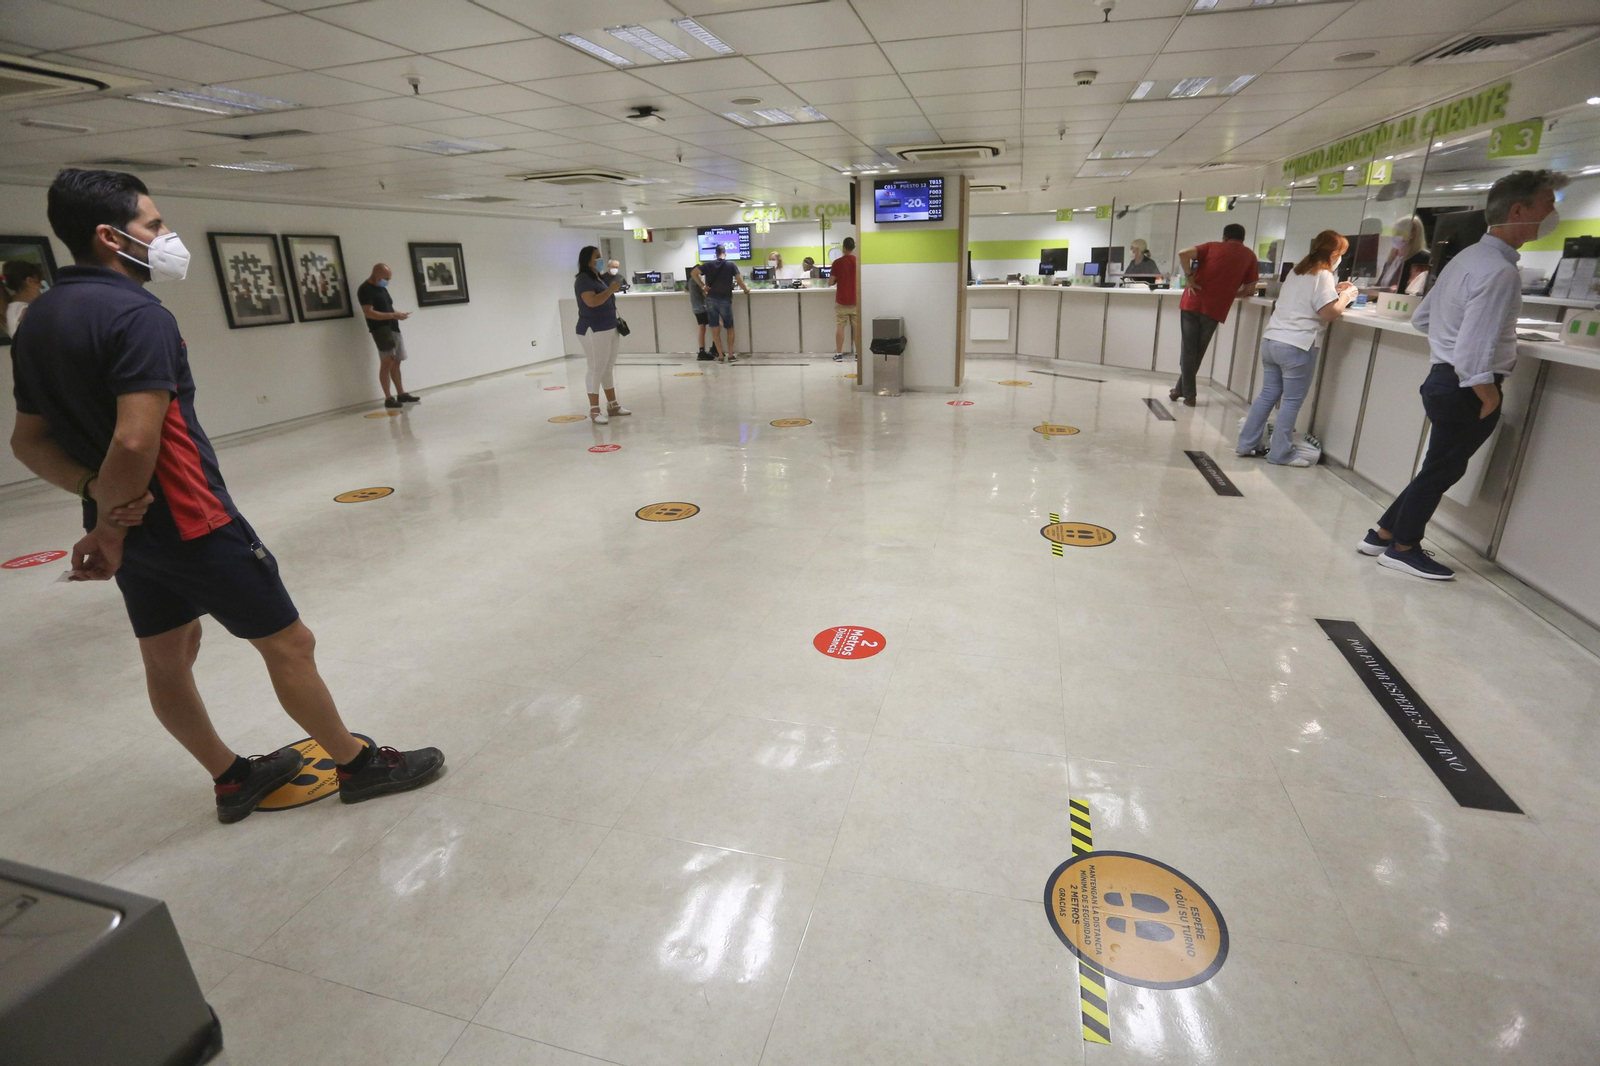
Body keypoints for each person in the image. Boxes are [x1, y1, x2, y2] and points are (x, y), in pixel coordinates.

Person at [7, 169, 444, 822]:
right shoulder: (137, 315)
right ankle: (357, 765)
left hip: (129, 525)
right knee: (290, 644)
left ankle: (232, 778)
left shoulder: (38, 320)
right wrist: (111, 528)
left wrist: (99, 503)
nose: (166, 236)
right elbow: (135, 439)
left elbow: (28, 441)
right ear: (110, 237)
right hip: (191, 519)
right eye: (154, 224)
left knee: (168, 657)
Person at [1357, 169, 1568, 580]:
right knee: (1442, 470)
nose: (1552, 214)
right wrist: (1487, 393)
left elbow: (1422, 319)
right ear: (1518, 210)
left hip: (1443, 380)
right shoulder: (1498, 271)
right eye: (1548, 205)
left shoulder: (1468, 258)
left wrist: (1451, 345)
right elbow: (1474, 348)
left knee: (1438, 466)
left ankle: (1382, 533)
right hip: (1465, 387)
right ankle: (1403, 548)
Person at [1237, 230, 1357, 466]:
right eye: (1341, 254)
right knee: (1291, 401)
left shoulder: (1296, 271)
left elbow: (1306, 298)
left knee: (1267, 394)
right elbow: (1329, 313)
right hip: (1298, 345)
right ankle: (1280, 453)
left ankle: (1246, 443)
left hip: (1272, 340)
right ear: (1334, 253)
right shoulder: (1324, 275)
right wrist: (1346, 296)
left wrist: (1335, 291)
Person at [1170, 223, 1259, 406]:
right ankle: (1180, 391)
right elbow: (1250, 290)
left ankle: (1189, 395)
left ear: (1224, 237)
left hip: (1192, 302)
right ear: (1243, 239)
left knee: (1188, 350)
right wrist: (1230, 294)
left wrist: (1189, 278)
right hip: (1216, 309)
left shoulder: (1212, 247)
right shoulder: (1250, 256)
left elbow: (1183, 253)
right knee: (1197, 352)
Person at [574, 245, 631, 423]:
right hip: (593, 329)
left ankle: (613, 404)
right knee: (596, 368)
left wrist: (610, 290)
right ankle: (594, 409)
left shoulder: (598, 278)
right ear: (588, 260)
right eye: (597, 256)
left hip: (609, 326)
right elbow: (591, 302)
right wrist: (610, 291)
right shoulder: (583, 280)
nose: (600, 260)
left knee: (607, 368)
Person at [356, 264, 420, 411]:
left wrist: (398, 314)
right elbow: (369, 312)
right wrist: (392, 315)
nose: (387, 281)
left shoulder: (382, 289)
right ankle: (388, 397)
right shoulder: (365, 289)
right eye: (386, 278)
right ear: (376, 274)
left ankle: (401, 393)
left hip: (393, 327)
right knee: (387, 362)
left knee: (396, 361)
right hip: (381, 329)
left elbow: (388, 308)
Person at [700, 243, 748, 364]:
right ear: (725, 253)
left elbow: (693, 273)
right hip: (725, 299)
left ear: (715, 254)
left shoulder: (708, 265)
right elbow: (740, 281)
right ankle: (731, 355)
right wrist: (746, 290)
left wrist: (703, 286)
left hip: (711, 299)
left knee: (715, 328)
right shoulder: (731, 264)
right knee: (729, 328)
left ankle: (721, 356)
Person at [1378, 216, 1428, 292]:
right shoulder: (1392, 258)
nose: (1393, 237)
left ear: (1412, 235)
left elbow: (1416, 290)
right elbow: (1379, 285)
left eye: (1398, 233)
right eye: (1393, 233)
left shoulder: (1422, 258)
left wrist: (1397, 290)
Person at [829, 236, 859, 363]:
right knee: (856, 327)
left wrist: (838, 279)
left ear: (844, 247)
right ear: (853, 247)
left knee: (840, 327)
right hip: (856, 300)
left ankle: (839, 354)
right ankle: (858, 354)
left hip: (841, 300)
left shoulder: (837, 263)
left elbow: (830, 282)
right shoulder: (858, 261)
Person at [4, 260, 44, 337]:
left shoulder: (10, 310)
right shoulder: (27, 311)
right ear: (30, 281)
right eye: (40, 283)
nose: (42, 288)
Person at [687, 264, 714, 360]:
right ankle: (712, 348)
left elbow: (686, 289)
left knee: (702, 328)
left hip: (695, 307)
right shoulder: (696, 280)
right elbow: (704, 292)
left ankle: (702, 351)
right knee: (716, 325)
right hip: (702, 307)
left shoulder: (690, 281)